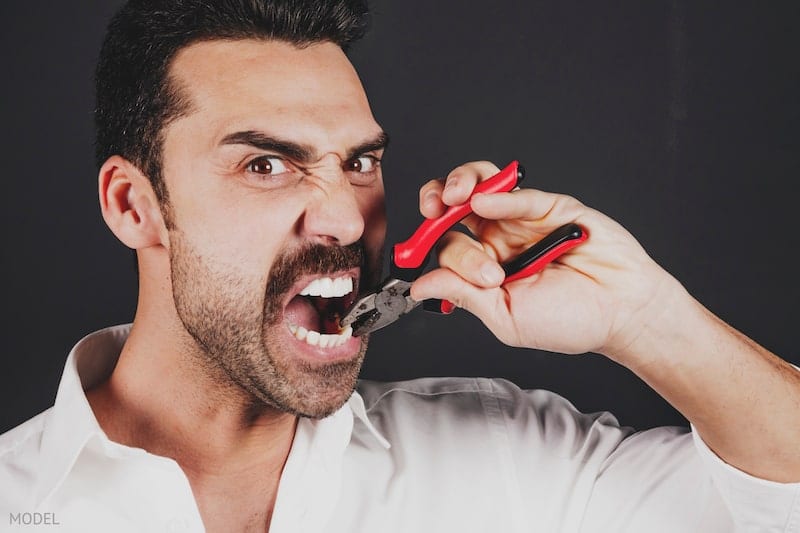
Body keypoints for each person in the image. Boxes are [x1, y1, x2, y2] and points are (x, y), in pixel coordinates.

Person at [1, 1, 798, 531]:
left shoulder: (511, 462)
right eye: (267, 166)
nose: (348, 216)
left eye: (358, 161)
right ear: (134, 205)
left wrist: (645, 316)